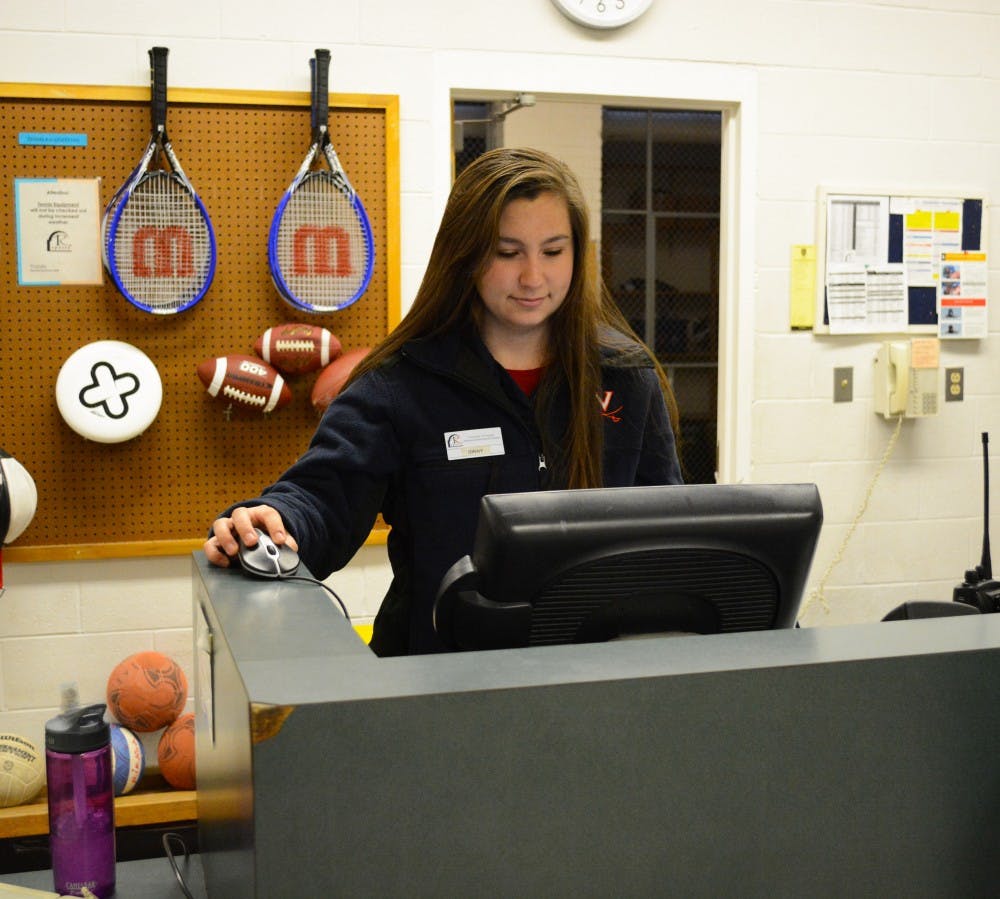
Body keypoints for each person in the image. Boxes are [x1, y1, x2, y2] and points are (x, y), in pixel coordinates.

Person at [205, 147, 683, 656]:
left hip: (594, 677)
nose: (533, 277)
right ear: (467, 254)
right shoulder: (399, 385)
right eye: (507, 252)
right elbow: (322, 499)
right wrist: (271, 520)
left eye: (553, 250)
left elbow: (671, 530)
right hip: (438, 685)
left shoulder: (628, 377)